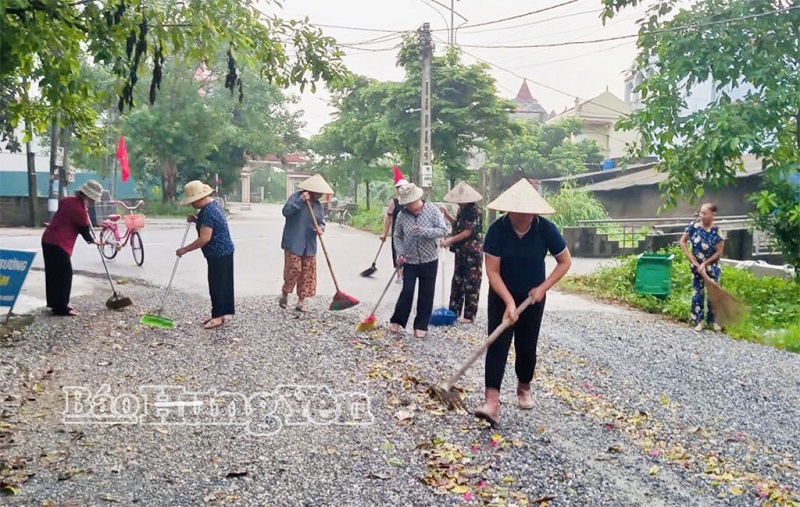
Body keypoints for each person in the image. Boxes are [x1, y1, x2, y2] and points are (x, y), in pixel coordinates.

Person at [475, 179, 572, 425]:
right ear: (510, 211)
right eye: (519, 213)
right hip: (501, 294)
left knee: (527, 346)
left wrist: (542, 288)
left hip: (533, 297)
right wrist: (508, 301)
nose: (524, 217)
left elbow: (565, 262)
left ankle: (524, 386)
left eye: (529, 213)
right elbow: (493, 272)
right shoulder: (498, 230)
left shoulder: (545, 229)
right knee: (497, 343)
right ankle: (492, 401)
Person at [390, 183, 449, 339]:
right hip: (409, 260)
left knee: (426, 293)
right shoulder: (403, 215)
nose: (410, 207)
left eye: (412, 203)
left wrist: (424, 231)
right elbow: (397, 236)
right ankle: (397, 320)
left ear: (419, 198)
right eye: (407, 204)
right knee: (407, 291)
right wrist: (400, 253)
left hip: (430, 259)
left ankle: (421, 325)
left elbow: (443, 230)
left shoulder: (432, 210)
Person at [176, 180, 235, 329]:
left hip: (219, 253)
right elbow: (210, 225)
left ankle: (217, 317)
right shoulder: (213, 205)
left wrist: (185, 249)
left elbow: (205, 238)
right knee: (222, 284)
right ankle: (220, 314)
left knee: (216, 285)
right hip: (224, 251)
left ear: (201, 199)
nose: (192, 205)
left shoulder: (208, 212)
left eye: (193, 202)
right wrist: (196, 220)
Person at [41, 180, 104, 316]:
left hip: (48, 239)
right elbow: (84, 231)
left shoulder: (67, 200)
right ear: (88, 197)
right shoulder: (80, 211)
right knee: (65, 275)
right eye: (93, 199)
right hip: (59, 243)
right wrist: (94, 240)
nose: (93, 202)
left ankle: (54, 304)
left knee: (53, 274)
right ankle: (61, 308)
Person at [280, 174, 333, 313]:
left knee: (307, 273)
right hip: (294, 241)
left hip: (309, 244)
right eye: (319, 192)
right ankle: (285, 293)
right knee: (294, 269)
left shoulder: (317, 205)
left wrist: (321, 228)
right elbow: (285, 212)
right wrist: (300, 201)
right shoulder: (296, 197)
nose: (320, 195)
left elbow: (321, 221)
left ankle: (300, 302)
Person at [439, 181, 484, 324]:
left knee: (471, 281)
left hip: (472, 251)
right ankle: (454, 311)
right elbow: (458, 226)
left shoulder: (474, 211)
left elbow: (467, 232)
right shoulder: (462, 211)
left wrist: (449, 241)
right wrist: (446, 215)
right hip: (461, 251)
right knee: (458, 280)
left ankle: (469, 315)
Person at [679, 202, 726, 332]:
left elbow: (719, 252)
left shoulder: (717, 232)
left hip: (712, 268)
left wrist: (705, 264)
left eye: (705, 213)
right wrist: (690, 257)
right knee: (697, 294)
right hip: (696, 267)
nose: (702, 216)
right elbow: (682, 241)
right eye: (701, 213)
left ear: (713, 215)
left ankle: (714, 321)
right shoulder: (693, 227)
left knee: (713, 294)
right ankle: (698, 321)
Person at [380, 166, 409, 284]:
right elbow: (388, 218)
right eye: (398, 187)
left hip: (409, 232)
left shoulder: (410, 201)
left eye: (402, 187)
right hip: (397, 232)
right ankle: (399, 274)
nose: (400, 189)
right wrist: (384, 233)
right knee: (397, 252)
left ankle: (406, 273)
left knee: (408, 253)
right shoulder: (394, 202)